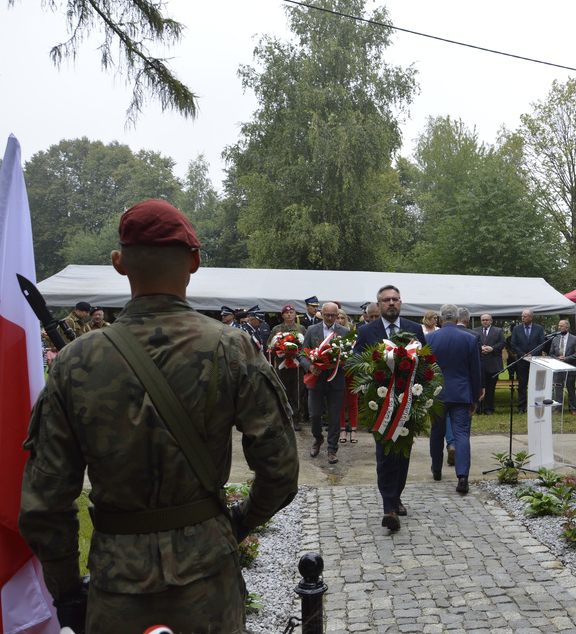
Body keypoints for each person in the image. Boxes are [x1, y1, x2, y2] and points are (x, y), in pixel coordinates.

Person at [18, 199, 299, 634]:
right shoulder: (232, 349)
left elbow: (45, 502)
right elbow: (280, 471)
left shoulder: (75, 362)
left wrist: (67, 588)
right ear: (195, 261)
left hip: (117, 585)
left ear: (118, 263)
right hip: (208, 580)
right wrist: (240, 522)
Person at [353, 284, 427, 533]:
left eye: (395, 299)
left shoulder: (414, 329)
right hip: (380, 404)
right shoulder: (367, 331)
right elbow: (355, 362)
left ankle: (396, 496)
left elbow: (427, 362)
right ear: (379, 304)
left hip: (409, 403)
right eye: (386, 300)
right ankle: (389, 507)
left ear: (401, 303)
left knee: (403, 453)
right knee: (385, 454)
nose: (391, 303)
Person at [427, 304, 483, 495]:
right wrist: (475, 397)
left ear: (440, 319)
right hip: (461, 393)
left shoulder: (429, 338)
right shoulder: (469, 338)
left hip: (437, 394)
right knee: (461, 434)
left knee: (436, 431)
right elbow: (475, 371)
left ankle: (436, 469)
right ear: (458, 318)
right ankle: (463, 477)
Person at [300, 301, 349, 465]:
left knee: (335, 418)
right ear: (321, 313)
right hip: (316, 380)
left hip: (336, 381)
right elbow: (302, 354)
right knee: (314, 415)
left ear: (337, 316)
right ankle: (318, 438)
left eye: (333, 315)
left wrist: (343, 361)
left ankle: (332, 449)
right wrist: (310, 367)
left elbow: (349, 356)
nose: (329, 318)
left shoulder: (344, 332)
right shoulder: (312, 330)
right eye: (326, 315)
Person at [268, 304, 307, 430]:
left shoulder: (300, 328)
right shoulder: (277, 329)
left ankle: (296, 418)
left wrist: (297, 353)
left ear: (295, 314)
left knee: (296, 392)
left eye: (291, 313)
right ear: (282, 315)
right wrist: (280, 353)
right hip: (281, 366)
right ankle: (283, 418)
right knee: (282, 391)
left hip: (297, 366)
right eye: (286, 313)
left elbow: (306, 346)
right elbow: (270, 345)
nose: (289, 315)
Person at [510, 309, 546, 411]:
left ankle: (536, 405)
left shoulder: (538, 328)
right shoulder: (517, 329)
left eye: (525, 316)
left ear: (531, 317)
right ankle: (521, 407)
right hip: (522, 360)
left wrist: (532, 354)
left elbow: (542, 343)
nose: (523, 318)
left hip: (535, 360)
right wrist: (523, 354)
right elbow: (513, 344)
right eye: (522, 316)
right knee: (522, 383)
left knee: (536, 384)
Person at [549, 319, 576, 413]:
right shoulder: (555, 339)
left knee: (570, 388)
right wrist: (557, 358)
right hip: (558, 368)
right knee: (558, 388)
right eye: (558, 326)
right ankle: (558, 408)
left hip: (570, 367)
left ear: (567, 327)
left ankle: (572, 408)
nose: (559, 327)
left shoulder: (574, 339)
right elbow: (551, 353)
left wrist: (566, 358)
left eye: (561, 326)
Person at [476, 313, 506, 414]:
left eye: (487, 320)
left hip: (493, 363)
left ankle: (488, 409)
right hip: (479, 364)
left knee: (490, 388)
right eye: (483, 320)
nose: (485, 321)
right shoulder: (475, 331)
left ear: (491, 320)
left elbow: (503, 343)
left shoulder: (498, 331)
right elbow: (472, 343)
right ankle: (477, 408)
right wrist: (480, 349)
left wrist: (492, 348)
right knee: (478, 387)